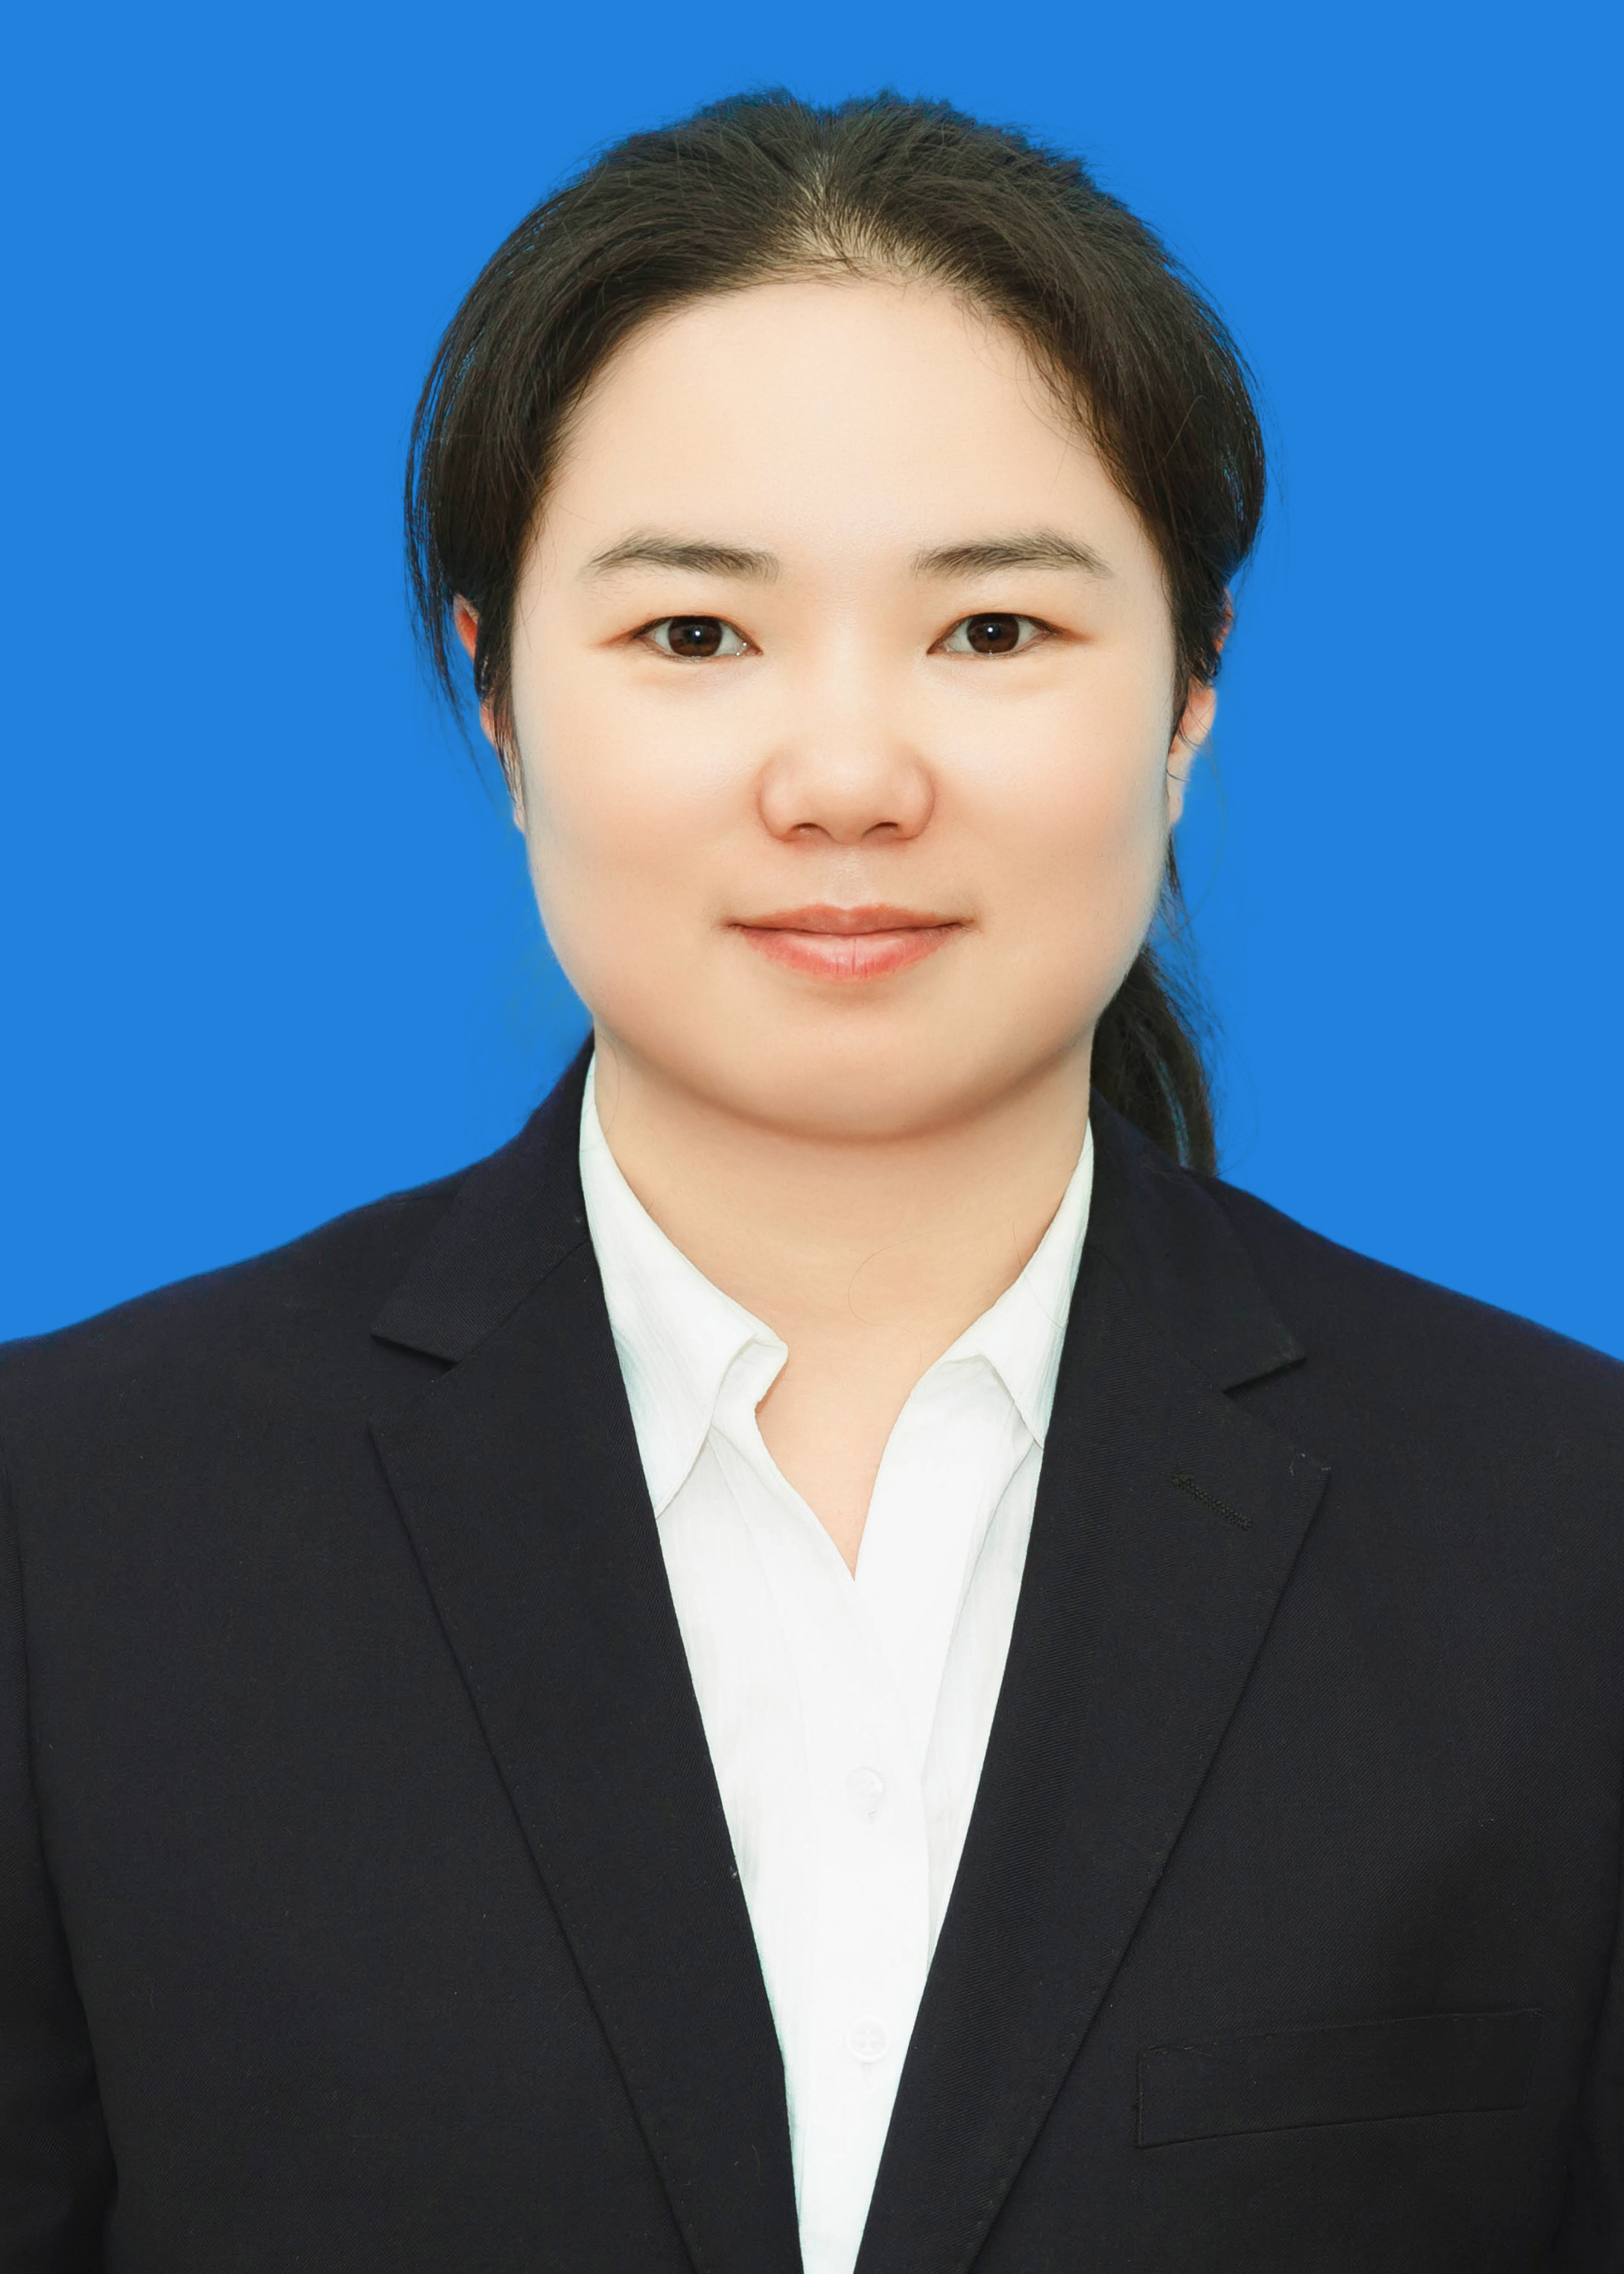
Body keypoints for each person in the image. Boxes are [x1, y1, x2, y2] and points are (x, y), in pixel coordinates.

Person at [1, 88, 1619, 2274]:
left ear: (1190, 698)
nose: (846, 777)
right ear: (496, 701)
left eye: (993, 632)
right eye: (694, 635)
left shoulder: (1563, 1542)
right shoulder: (73, 1530)